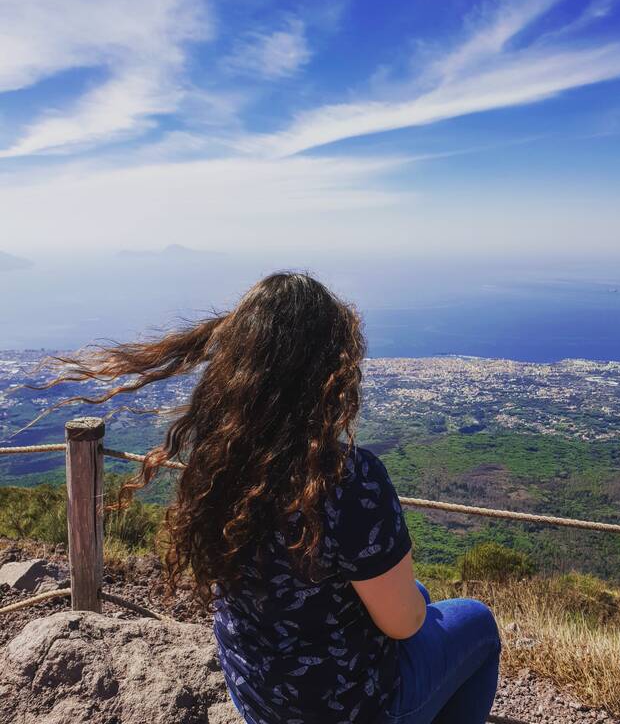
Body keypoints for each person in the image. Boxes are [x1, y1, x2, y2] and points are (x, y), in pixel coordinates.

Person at [38, 271, 501, 723]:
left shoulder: (220, 457)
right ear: (329, 374)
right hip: (348, 708)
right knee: (476, 622)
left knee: (416, 597)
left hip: (257, 696)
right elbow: (404, 624)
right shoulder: (347, 478)